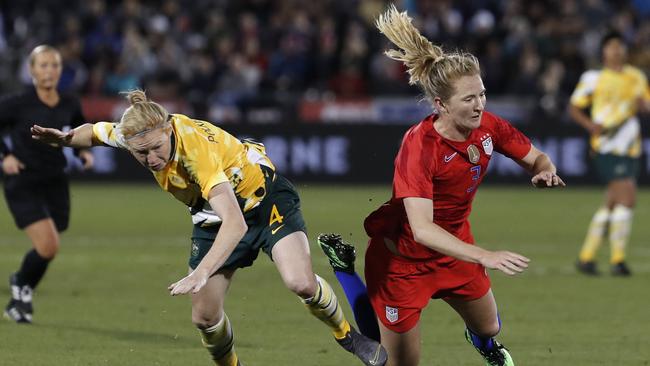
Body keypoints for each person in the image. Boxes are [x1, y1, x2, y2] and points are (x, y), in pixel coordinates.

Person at [30, 89, 387, 366]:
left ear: (169, 128)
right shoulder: (136, 133)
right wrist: (62, 139)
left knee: (300, 282)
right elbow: (95, 132)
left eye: (155, 148)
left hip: (264, 202)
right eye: (141, 154)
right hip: (211, 215)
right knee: (204, 316)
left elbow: (233, 222)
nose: (151, 159)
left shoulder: (195, 152)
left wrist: (201, 272)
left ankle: (347, 336)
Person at [317, 6, 565, 366]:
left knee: (489, 327)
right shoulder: (419, 147)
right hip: (403, 262)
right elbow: (421, 229)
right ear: (441, 105)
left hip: (455, 249)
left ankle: (485, 346)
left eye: (481, 94)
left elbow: (538, 158)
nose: (479, 105)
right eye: (469, 99)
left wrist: (544, 171)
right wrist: (484, 255)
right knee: (389, 358)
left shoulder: (488, 126)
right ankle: (345, 269)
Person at [1, 45, 94, 324]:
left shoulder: (69, 103)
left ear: (60, 70)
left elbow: (78, 130)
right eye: (42, 65)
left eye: (54, 65)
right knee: (49, 245)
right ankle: (22, 289)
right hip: (23, 181)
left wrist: (82, 152)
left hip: (55, 180)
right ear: (31, 70)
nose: (49, 71)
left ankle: (20, 282)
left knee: (53, 238)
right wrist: (5, 156)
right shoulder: (17, 103)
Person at [571, 30, 650, 277]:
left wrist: (643, 106)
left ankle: (587, 258)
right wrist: (589, 126)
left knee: (612, 202)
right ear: (604, 51)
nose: (617, 51)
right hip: (606, 145)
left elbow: (645, 105)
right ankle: (618, 260)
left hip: (630, 147)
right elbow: (574, 107)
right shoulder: (593, 77)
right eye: (612, 46)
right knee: (627, 199)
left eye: (620, 46)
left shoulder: (636, 76)